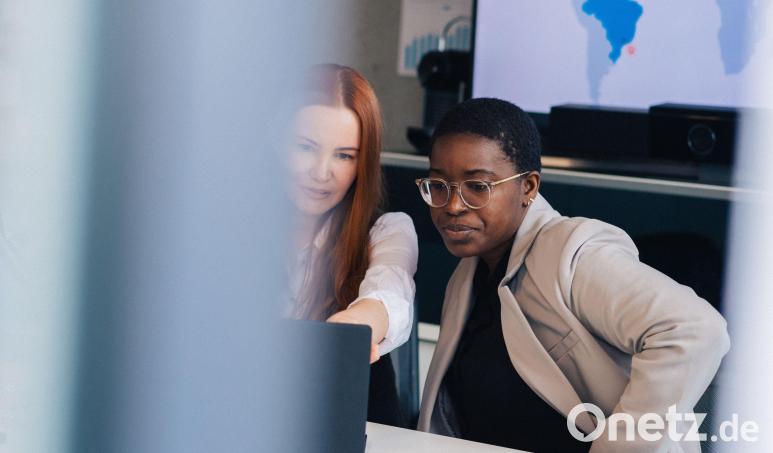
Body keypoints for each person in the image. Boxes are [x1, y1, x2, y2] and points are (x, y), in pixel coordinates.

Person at [415, 98, 730, 452]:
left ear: (529, 187)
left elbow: (696, 329)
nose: (453, 206)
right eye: (439, 186)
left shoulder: (571, 252)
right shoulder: (468, 273)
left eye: (478, 187)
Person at [285, 64, 418, 426]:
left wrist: (355, 325)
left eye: (344, 155)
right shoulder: (229, 232)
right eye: (305, 147)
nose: (321, 172)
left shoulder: (387, 230)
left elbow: (389, 295)